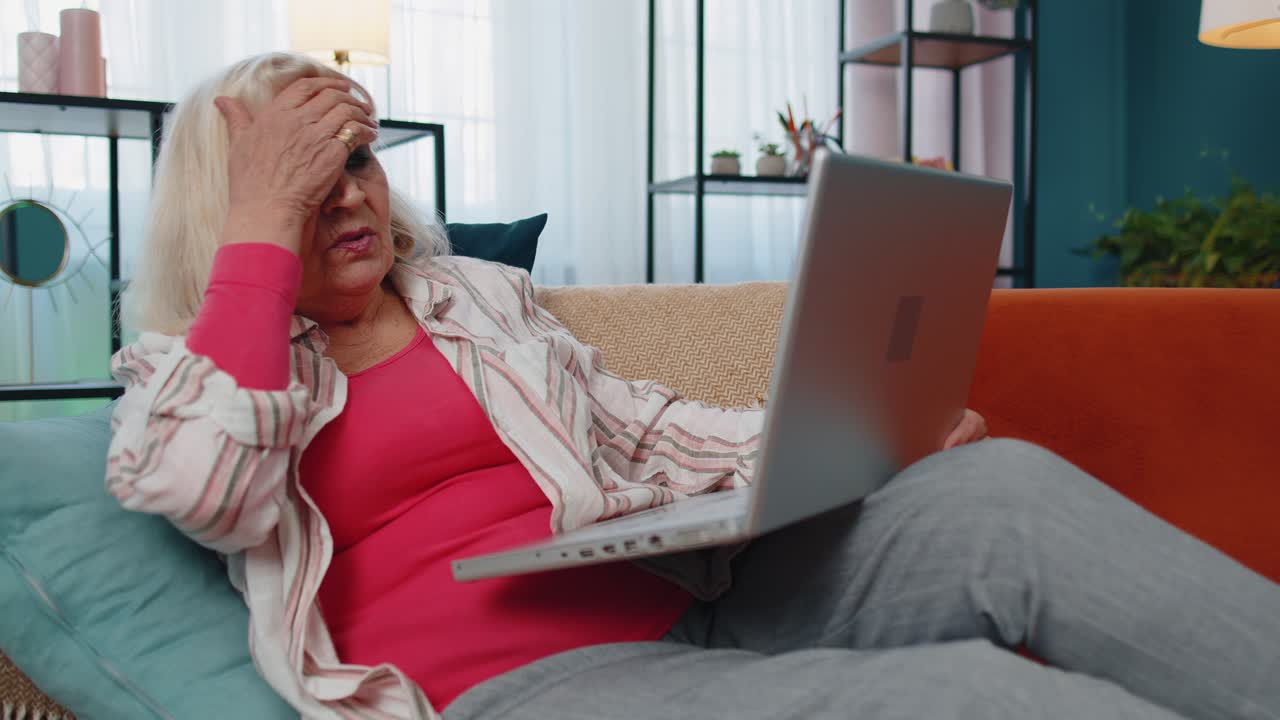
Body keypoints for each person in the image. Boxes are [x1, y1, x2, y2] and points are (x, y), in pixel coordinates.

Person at [108, 52, 1280, 720]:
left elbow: (638, 420)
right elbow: (208, 489)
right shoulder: (190, 367)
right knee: (980, 699)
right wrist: (262, 218)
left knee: (1000, 491)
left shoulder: (471, 296)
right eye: (312, 178)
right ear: (240, 204)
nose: (353, 197)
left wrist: (864, 438)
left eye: (358, 161)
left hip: (708, 591)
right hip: (529, 689)